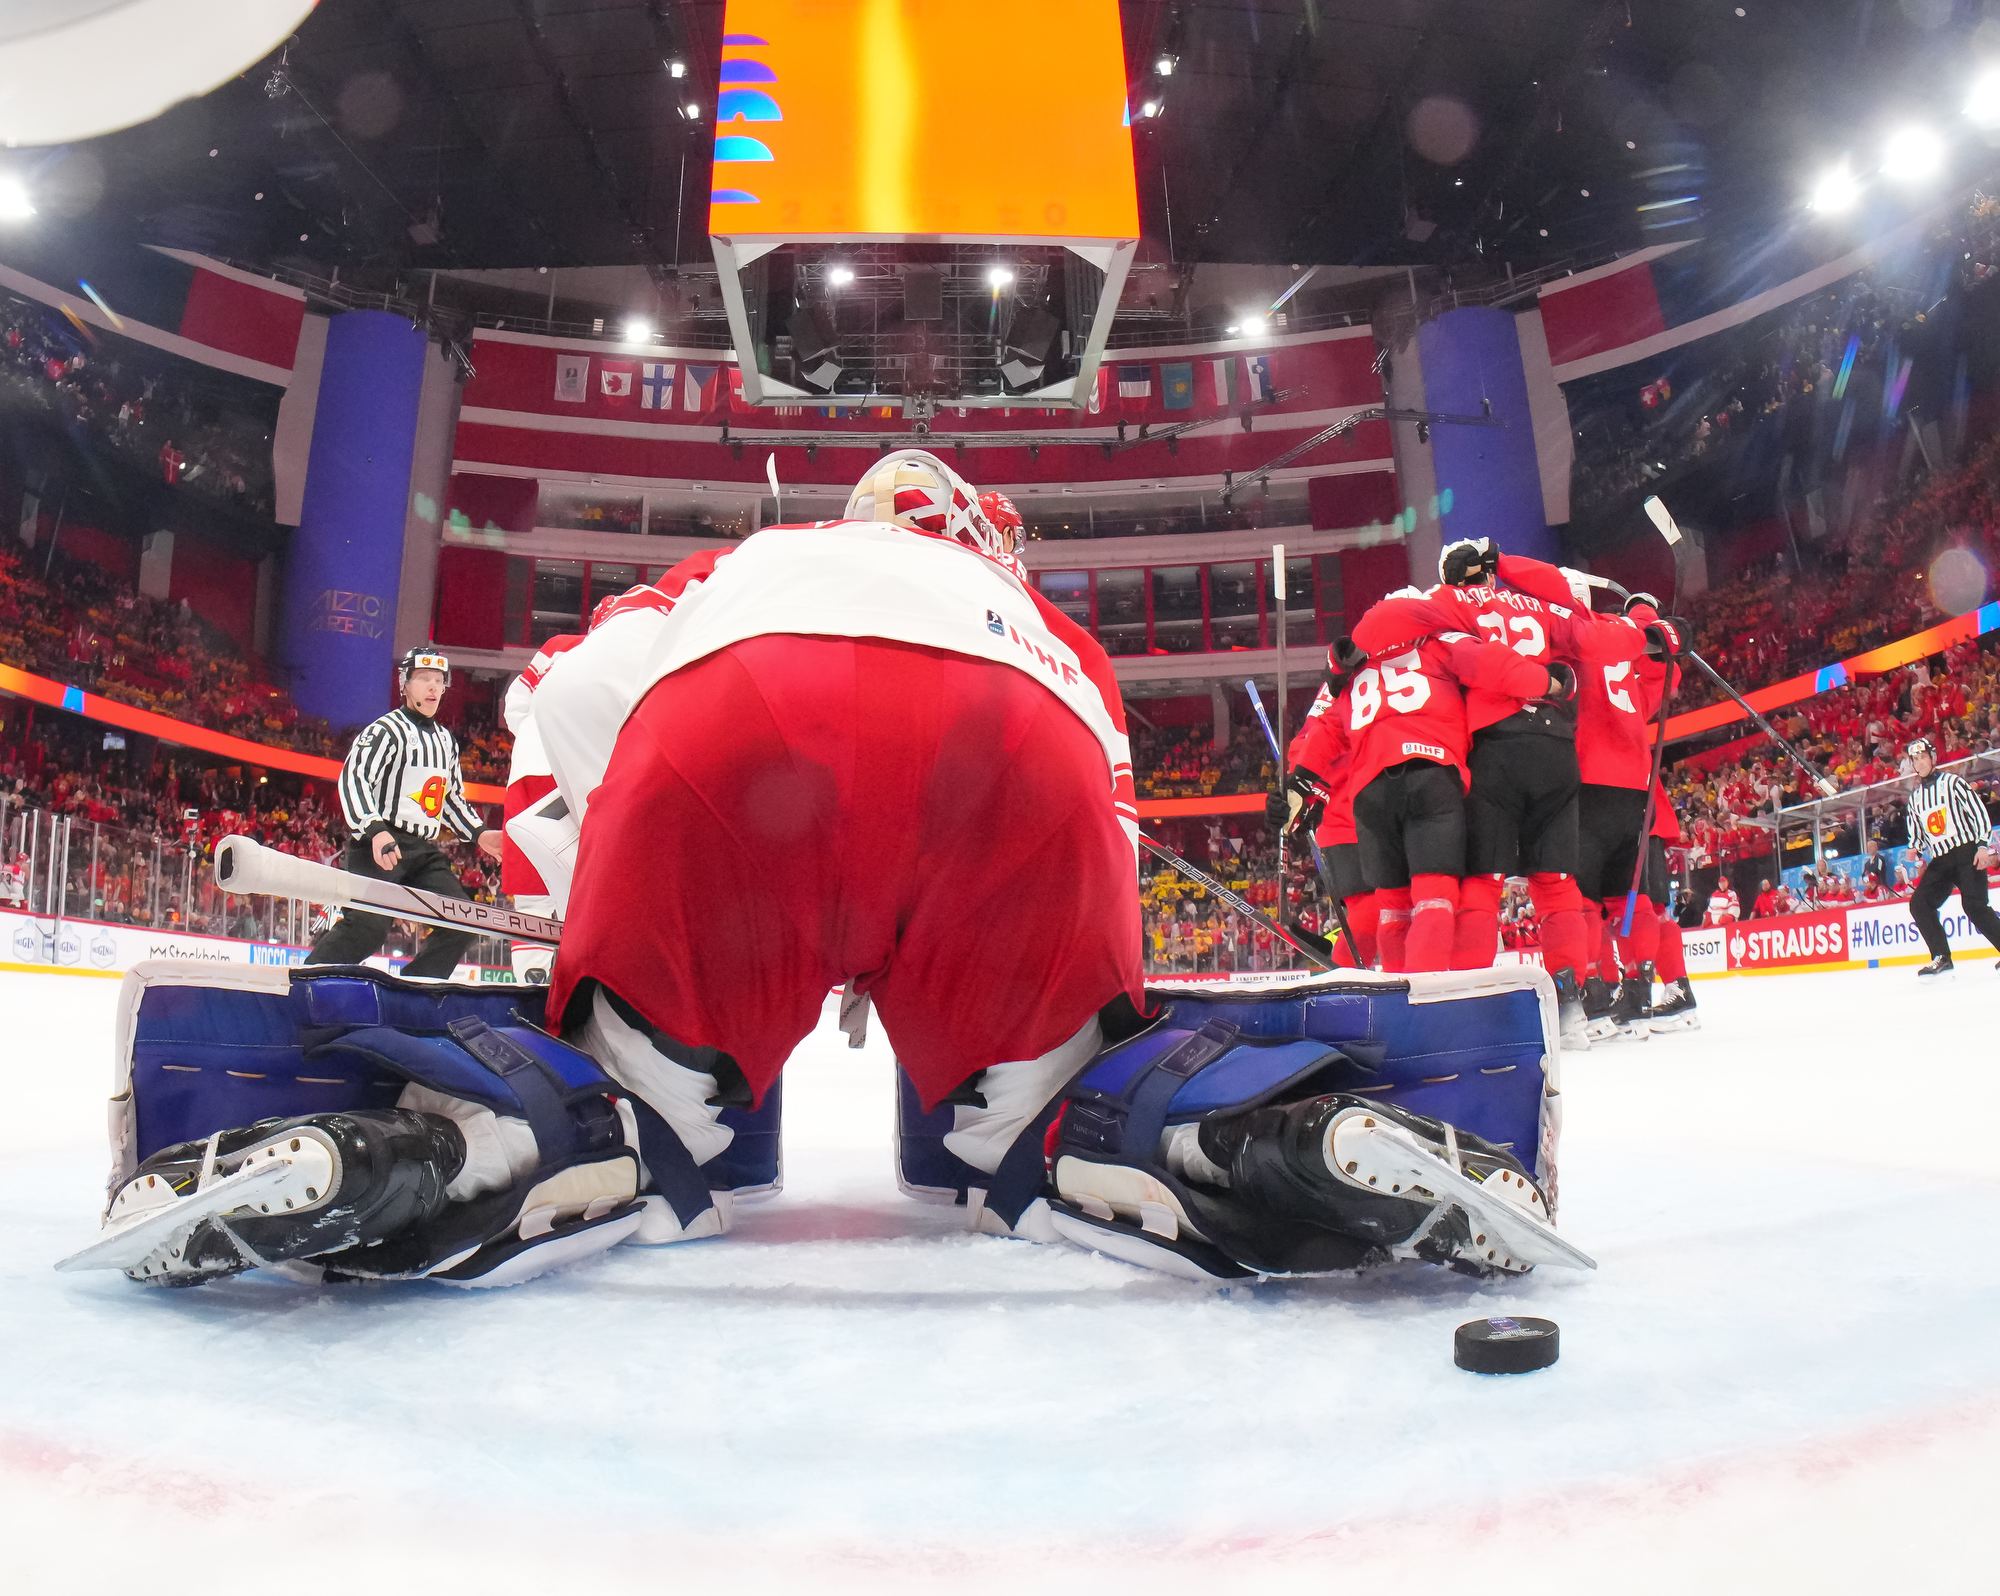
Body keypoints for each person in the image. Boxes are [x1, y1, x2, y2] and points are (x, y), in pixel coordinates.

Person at [88, 454, 1587, 1292]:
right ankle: (1249, 1142)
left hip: (747, 725)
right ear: (980, 535)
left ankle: (419, 1152)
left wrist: (573, 886)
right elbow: (1107, 849)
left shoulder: (751, 557)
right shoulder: (1048, 622)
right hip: (1018, 751)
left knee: (629, 1114)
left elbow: (572, 696)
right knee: (1053, 1120)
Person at [305, 648, 503, 978]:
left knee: (462, 922)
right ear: (405, 684)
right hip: (380, 843)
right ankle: (306, 981)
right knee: (367, 927)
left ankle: (413, 989)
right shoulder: (385, 730)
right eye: (424, 678)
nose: (433, 686)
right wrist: (374, 829)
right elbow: (354, 778)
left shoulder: (446, 741)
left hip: (422, 849)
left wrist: (480, 833)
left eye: (438, 680)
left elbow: (449, 799)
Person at [1902, 735, 2000, 977]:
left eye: (1923, 757)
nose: (1920, 762)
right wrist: (1914, 849)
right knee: (1919, 904)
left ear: (1933, 758)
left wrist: (1982, 846)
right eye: (1915, 759)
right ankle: (1941, 956)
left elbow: (1979, 813)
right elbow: (1918, 835)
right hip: (1941, 859)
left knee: (1974, 905)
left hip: (1966, 852)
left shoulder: (1953, 783)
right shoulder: (1915, 799)